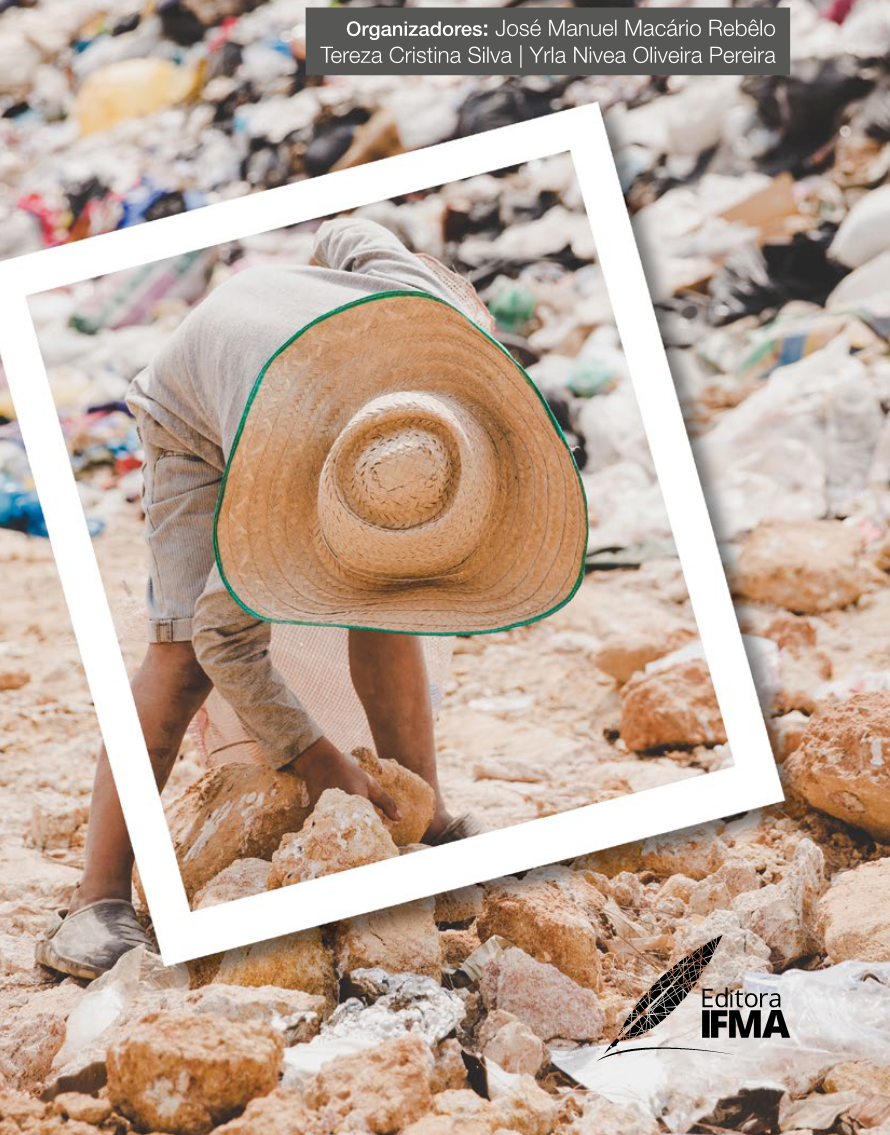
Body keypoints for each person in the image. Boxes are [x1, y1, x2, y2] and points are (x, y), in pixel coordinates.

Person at [36, 216, 586, 979]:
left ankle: (428, 827)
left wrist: (308, 295)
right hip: (196, 403)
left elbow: (347, 229)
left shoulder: (436, 317)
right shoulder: (286, 489)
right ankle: (94, 902)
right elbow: (222, 640)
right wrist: (314, 755)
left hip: (296, 356)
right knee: (179, 656)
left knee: (391, 599)